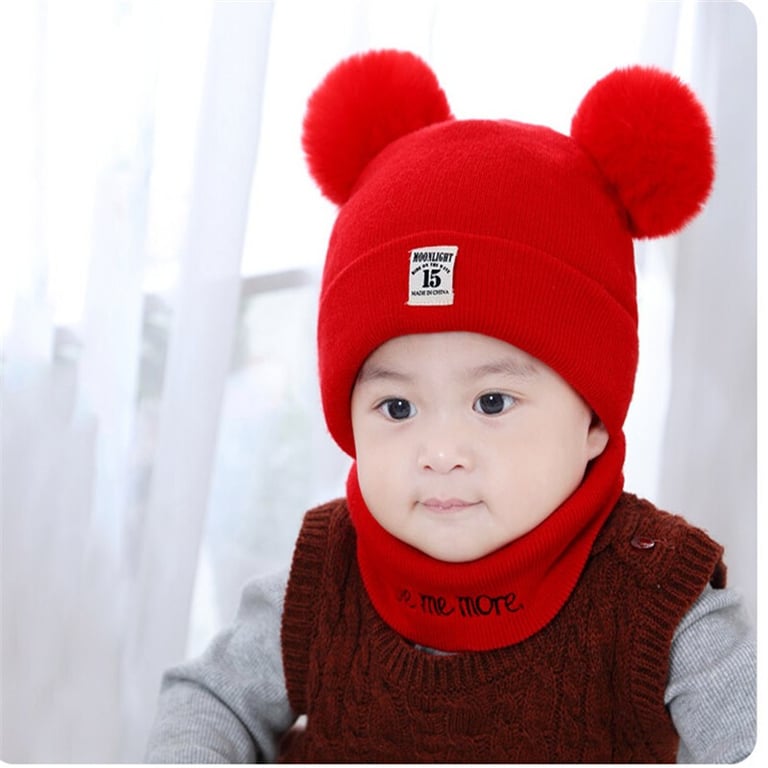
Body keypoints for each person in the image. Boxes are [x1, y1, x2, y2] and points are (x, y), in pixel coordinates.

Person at [145, 50, 756, 763]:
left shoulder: (661, 603)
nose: (439, 452)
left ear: (593, 418)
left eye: (491, 401)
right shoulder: (324, 582)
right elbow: (209, 698)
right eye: (397, 408)